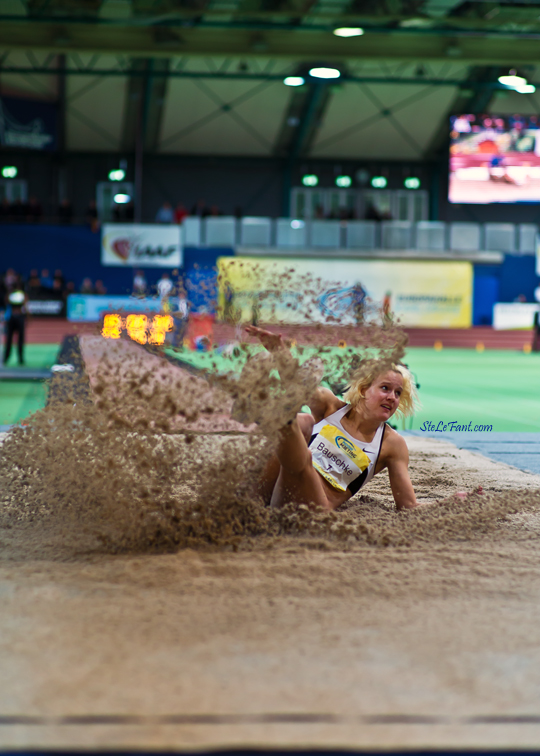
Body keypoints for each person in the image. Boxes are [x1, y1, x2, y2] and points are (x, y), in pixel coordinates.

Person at [242, 325, 419, 512]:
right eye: (385, 388)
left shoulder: (392, 444)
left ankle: (275, 414)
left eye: (398, 393)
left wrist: (450, 502)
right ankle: (243, 504)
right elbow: (297, 385)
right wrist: (279, 351)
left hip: (313, 507)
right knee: (305, 422)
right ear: (364, 389)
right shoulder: (330, 406)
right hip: (276, 485)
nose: (392, 397)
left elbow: (408, 506)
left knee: (304, 456)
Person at [3, 281, 28, 365]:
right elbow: (25, 306)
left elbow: (6, 302)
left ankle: (8, 358)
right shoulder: (20, 294)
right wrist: (28, 318)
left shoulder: (14, 294)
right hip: (17, 318)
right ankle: (18, 359)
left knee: (12, 339)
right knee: (15, 339)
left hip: (14, 318)